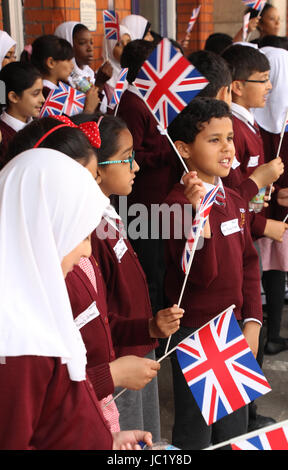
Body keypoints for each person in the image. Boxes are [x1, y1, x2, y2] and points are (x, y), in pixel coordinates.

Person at [0, 146, 153, 450]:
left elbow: (51, 422)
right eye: (80, 236)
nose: (86, 250)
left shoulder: (35, 309)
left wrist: (104, 441)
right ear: (44, 232)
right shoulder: (20, 342)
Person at [70, 112, 183, 441]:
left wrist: (147, 326)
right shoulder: (86, 233)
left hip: (133, 349)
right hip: (116, 362)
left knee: (144, 435)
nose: (136, 166)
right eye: (126, 158)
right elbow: (97, 316)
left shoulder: (108, 212)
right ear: (96, 170)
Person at [164, 97, 263, 450]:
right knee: (197, 432)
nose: (227, 148)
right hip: (198, 332)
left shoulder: (234, 199)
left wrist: (252, 321)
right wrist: (199, 222)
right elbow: (199, 278)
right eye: (214, 139)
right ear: (184, 150)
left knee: (233, 428)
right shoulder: (174, 207)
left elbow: (250, 263)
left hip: (233, 327)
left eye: (230, 138)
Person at [117, 39, 182, 315]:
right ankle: (154, 318)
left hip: (161, 196)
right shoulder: (133, 104)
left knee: (162, 261)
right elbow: (133, 155)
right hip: (145, 199)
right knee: (150, 264)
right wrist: (168, 154)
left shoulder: (149, 101)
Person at [253, 46, 288, 354]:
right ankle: (269, 335)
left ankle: (264, 334)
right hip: (287, 207)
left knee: (260, 271)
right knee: (275, 271)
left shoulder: (251, 118)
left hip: (262, 206)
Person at [221, 44, 287, 243]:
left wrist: (274, 194)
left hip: (247, 230)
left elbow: (248, 184)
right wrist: (262, 225)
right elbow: (229, 193)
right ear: (237, 86)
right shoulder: (231, 129)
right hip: (236, 231)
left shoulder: (248, 121)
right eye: (263, 79)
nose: (270, 86)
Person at [54, 21, 110, 113]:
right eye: (82, 43)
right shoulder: (62, 83)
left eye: (91, 43)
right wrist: (99, 85)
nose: (90, 48)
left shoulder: (91, 75)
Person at [0, 61, 44, 167]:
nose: (43, 99)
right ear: (14, 97)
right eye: (36, 94)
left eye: (42, 92)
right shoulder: (3, 136)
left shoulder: (41, 126)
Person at [104, 25, 131, 108]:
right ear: (110, 46)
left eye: (129, 43)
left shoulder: (134, 70)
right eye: (119, 44)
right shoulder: (103, 74)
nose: (126, 48)